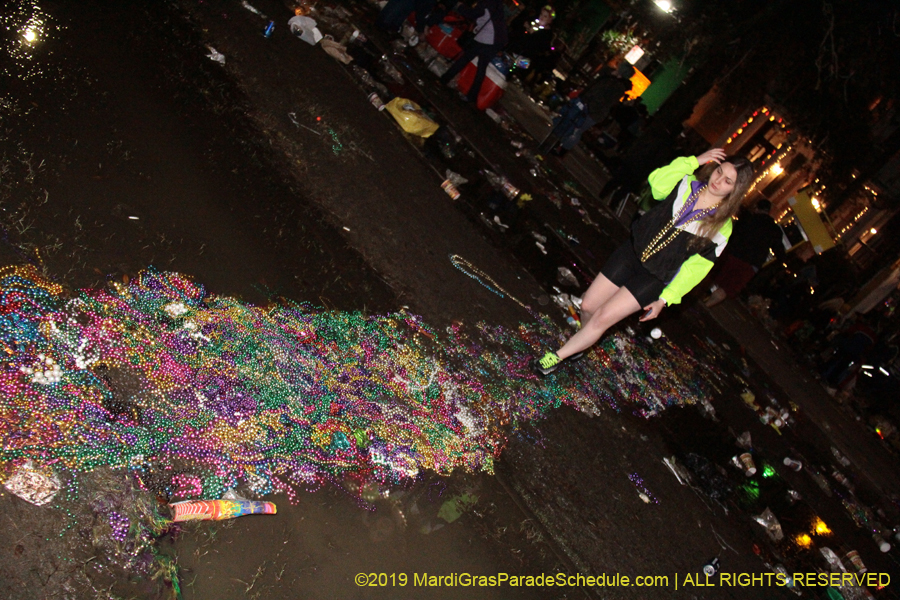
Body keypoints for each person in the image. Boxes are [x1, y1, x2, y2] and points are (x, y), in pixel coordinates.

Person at [531, 149, 754, 375]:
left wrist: (665, 300)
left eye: (728, 181)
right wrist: (693, 161)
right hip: (633, 252)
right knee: (588, 305)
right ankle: (583, 339)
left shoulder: (722, 227)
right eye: (718, 171)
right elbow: (656, 185)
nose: (718, 181)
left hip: (655, 277)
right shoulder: (686, 183)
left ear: (735, 191)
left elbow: (695, 270)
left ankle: (556, 357)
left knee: (603, 317)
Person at [537, 62, 634, 156]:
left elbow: (598, 94)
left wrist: (585, 102)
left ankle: (560, 148)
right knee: (573, 127)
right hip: (592, 109)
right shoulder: (615, 82)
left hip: (591, 110)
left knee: (575, 129)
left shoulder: (613, 83)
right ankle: (559, 147)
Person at [703, 199, 787, 307]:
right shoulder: (774, 230)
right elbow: (779, 250)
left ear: (757, 208)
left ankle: (697, 299)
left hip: (734, 254)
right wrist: (783, 262)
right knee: (727, 288)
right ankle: (707, 306)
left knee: (714, 277)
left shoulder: (749, 219)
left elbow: (734, 231)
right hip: (751, 264)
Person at [439, 0, 509, 104]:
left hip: (487, 38)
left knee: (465, 58)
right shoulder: (497, 3)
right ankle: (472, 96)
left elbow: (472, 14)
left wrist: (459, 6)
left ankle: (445, 79)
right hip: (496, 40)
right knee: (481, 67)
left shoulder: (486, 3)